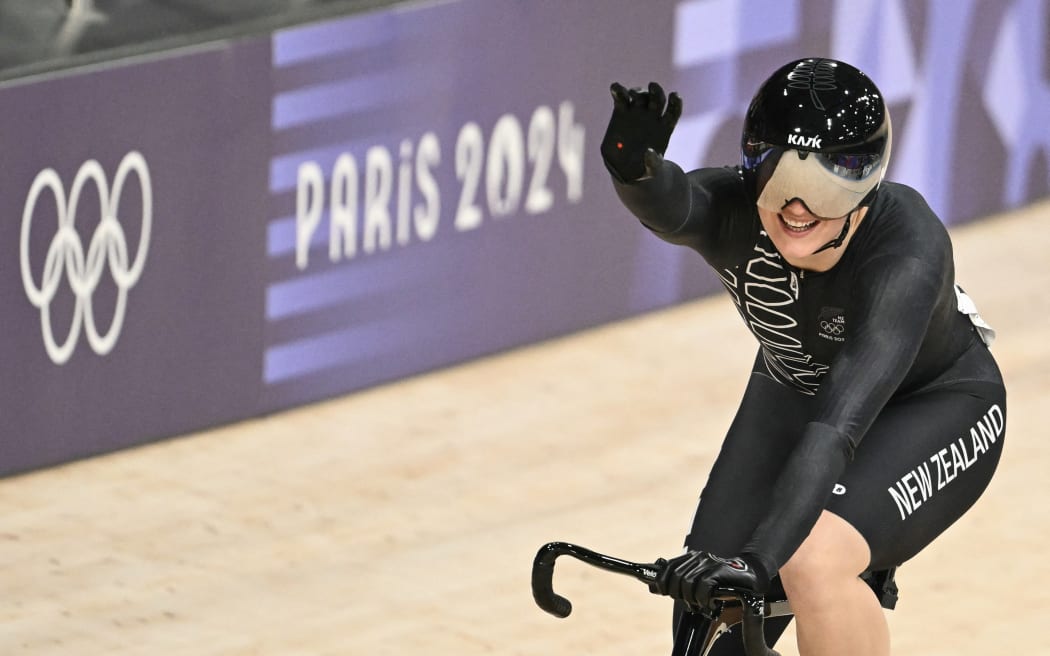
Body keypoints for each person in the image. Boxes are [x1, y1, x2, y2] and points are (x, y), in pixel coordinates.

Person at [601, 58, 1006, 656]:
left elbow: (836, 429)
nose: (796, 206)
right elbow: (676, 204)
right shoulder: (737, 210)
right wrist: (630, 166)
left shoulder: (907, 251)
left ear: (867, 182)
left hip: (928, 406)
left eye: (828, 182)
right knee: (714, 611)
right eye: (781, 175)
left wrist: (762, 559)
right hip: (795, 387)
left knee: (811, 562)